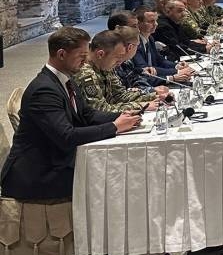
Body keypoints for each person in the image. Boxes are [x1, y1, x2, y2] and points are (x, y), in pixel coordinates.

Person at [0, 28, 140, 201]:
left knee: (118, 168)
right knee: (113, 178)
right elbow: (66, 136)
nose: (86, 60)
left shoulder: (66, 79)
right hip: (38, 175)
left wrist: (122, 115)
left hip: (55, 159)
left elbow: (87, 114)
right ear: (61, 54)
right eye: (82, 56)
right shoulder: (44, 90)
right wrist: (114, 127)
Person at [73, 30, 167, 113]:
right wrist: (140, 106)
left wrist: (154, 96)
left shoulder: (105, 66)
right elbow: (100, 110)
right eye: (117, 57)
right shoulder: (86, 74)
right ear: (100, 54)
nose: (119, 62)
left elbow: (119, 95)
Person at [133, 6, 192, 82]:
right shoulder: (134, 43)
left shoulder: (150, 38)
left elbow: (160, 60)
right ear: (138, 24)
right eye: (151, 21)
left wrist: (176, 66)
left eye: (156, 20)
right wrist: (176, 72)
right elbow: (145, 68)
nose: (156, 24)